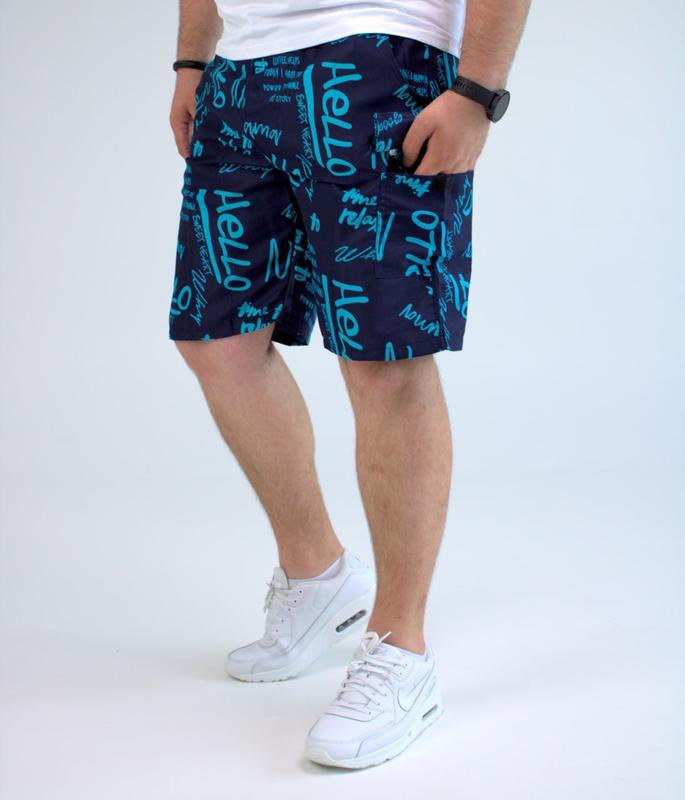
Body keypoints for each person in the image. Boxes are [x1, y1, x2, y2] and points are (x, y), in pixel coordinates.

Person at [168, 0, 529, 769]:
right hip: (239, 75)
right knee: (215, 339)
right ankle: (317, 576)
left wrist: (476, 91)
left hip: (380, 60)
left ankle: (400, 651)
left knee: (384, 359)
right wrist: (193, 61)